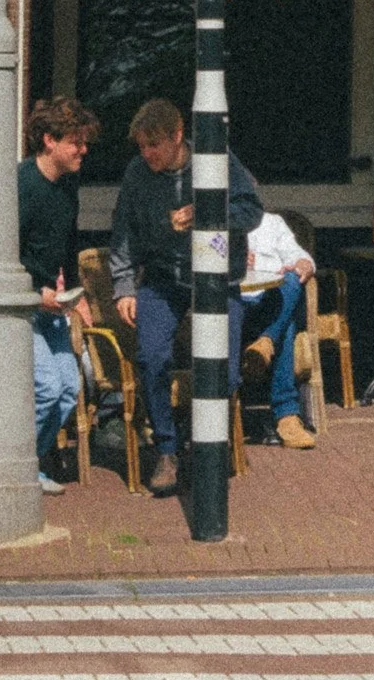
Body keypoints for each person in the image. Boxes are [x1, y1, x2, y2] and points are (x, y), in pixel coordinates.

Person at [109, 99, 264, 491]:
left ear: (178, 136)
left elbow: (252, 211)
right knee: (151, 356)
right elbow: (123, 229)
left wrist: (207, 212)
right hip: (163, 277)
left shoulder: (216, 160)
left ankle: (201, 442)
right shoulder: (137, 173)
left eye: (155, 145)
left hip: (215, 277)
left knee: (225, 371)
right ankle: (166, 447)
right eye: (141, 146)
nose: (147, 154)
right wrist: (124, 286)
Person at [17, 94, 95, 491]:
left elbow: (66, 246)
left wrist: (77, 295)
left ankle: (31, 462)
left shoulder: (69, 185)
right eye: (75, 142)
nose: (83, 150)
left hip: (52, 306)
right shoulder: (21, 185)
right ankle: (18, 466)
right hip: (23, 307)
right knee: (47, 385)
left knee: (69, 387)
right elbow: (5, 253)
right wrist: (36, 293)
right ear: (50, 140)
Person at [239, 205, 319, 450]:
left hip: (269, 302)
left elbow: (298, 255)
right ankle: (286, 415)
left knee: (294, 280)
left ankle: (265, 341)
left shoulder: (271, 223)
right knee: (286, 324)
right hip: (233, 306)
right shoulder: (211, 224)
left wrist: (305, 263)